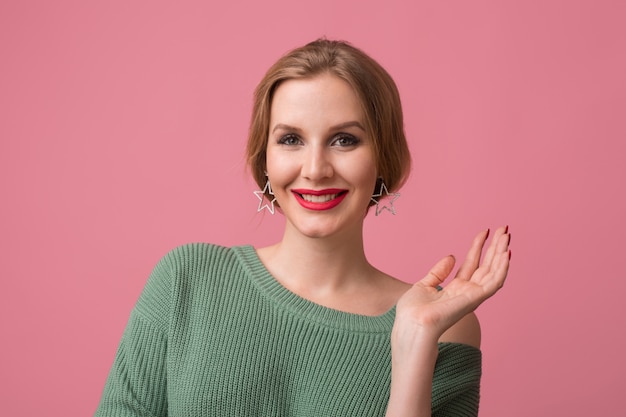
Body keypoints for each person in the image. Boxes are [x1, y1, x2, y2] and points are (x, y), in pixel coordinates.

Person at [95, 39, 511, 417]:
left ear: (383, 158)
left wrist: (412, 345)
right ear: (265, 159)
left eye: (345, 140)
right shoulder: (187, 279)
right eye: (291, 139)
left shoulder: (443, 325)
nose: (315, 170)